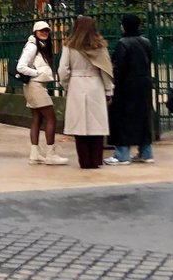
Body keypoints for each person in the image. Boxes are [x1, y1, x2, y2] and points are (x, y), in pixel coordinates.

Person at [58, 15, 115, 170]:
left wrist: (67, 85)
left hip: (76, 84)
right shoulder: (100, 47)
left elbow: (63, 70)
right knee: (97, 125)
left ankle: (84, 161)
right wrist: (108, 90)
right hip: (95, 84)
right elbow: (105, 70)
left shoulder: (69, 46)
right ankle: (96, 160)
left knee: (79, 127)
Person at [106, 13, 155, 164]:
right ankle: (146, 153)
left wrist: (113, 82)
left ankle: (122, 154)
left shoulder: (123, 43)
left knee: (122, 119)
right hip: (144, 84)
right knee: (143, 117)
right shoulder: (145, 41)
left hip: (126, 87)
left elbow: (119, 67)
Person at [16, 20, 66, 165]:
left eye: (46, 31)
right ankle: (51, 154)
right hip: (35, 85)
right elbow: (21, 66)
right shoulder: (32, 46)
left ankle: (35, 153)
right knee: (51, 118)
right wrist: (36, 73)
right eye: (41, 31)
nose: (44, 33)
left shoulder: (40, 46)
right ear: (35, 32)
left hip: (35, 85)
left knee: (37, 119)